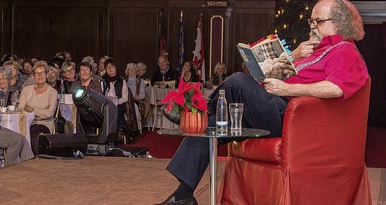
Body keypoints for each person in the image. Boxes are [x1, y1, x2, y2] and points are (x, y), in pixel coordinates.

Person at [156, 1, 369, 204]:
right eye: (310, 21)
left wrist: (287, 89)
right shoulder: (315, 49)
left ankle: (195, 109)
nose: (312, 26)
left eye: (317, 21)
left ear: (339, 22)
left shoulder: (345, 51)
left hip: (292, 118)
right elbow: (286, 74)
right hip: (272, 107)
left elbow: (336, 88)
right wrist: (293, 55)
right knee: (210, 125)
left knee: (238, 81)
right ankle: (183, 194)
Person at [17, 61, 59, 132]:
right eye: (37, 73)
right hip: (26, 122)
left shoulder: (53, 92)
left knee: (34, 132)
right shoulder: (26, 89)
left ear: (47, 75)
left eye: (42, 73)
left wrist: (32, 110)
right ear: (33, 76)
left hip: (45, 124)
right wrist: (39, 115)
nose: (40, 76)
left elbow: (49, 113)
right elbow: (20, 108)